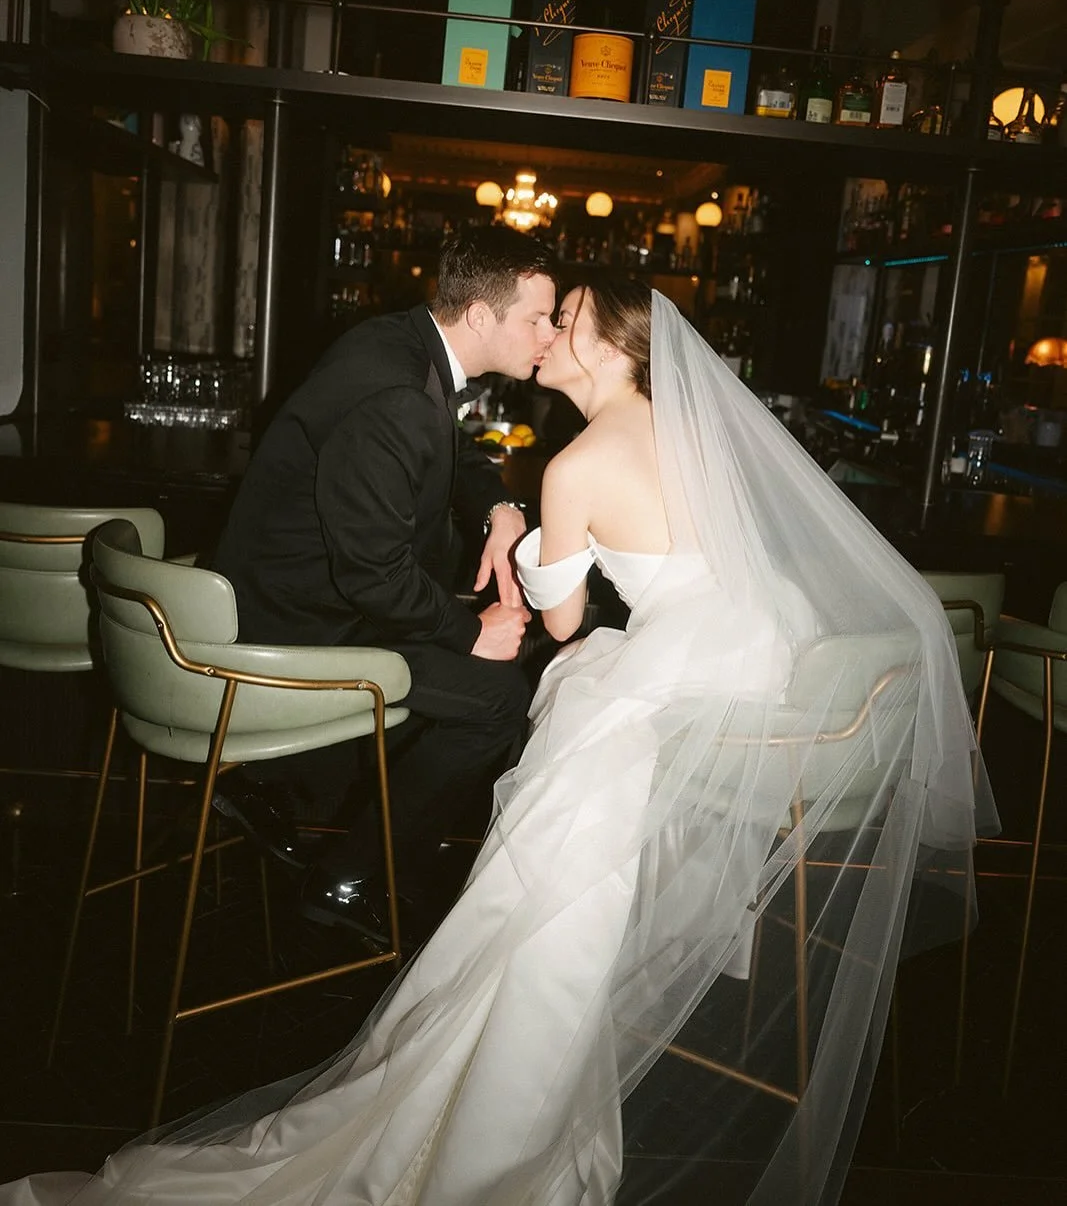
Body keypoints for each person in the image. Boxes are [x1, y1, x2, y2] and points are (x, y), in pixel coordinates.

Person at [1, 279, 995, 1206]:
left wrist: (526, 547)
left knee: (565, 766)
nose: (547, 337)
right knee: (572, 785)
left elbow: (561, 623)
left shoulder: (576, 462)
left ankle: (506, 1108)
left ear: (608, 345)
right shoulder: (697, 438)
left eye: (564, 321)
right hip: (761, 669)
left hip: (675, 675)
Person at [209, 226, 556, 940]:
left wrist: (497, 509)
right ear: (483, 317)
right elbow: (374, 576)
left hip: (298, 597)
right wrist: (470, 631)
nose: (548, 334)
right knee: (498, 698)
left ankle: (285, 786)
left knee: (501, 655)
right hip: (296, 628)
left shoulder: (405, 343)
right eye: (537, 318)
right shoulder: (395, 391)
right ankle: (347, 878)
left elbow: (449, 450)